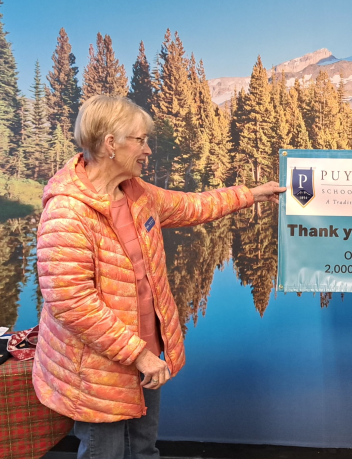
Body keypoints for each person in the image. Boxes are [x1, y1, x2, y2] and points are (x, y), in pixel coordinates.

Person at [32, 95, 286, 459]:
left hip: (145, 354)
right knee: (104, 454)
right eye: (140, 140)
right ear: (110, 144)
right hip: (97, 369)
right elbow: (72, 304)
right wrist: (138, 354)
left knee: (144, 449)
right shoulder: (66, 212)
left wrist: (249, 194)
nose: (148, 150)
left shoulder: (135, 194)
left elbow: (191, 205)